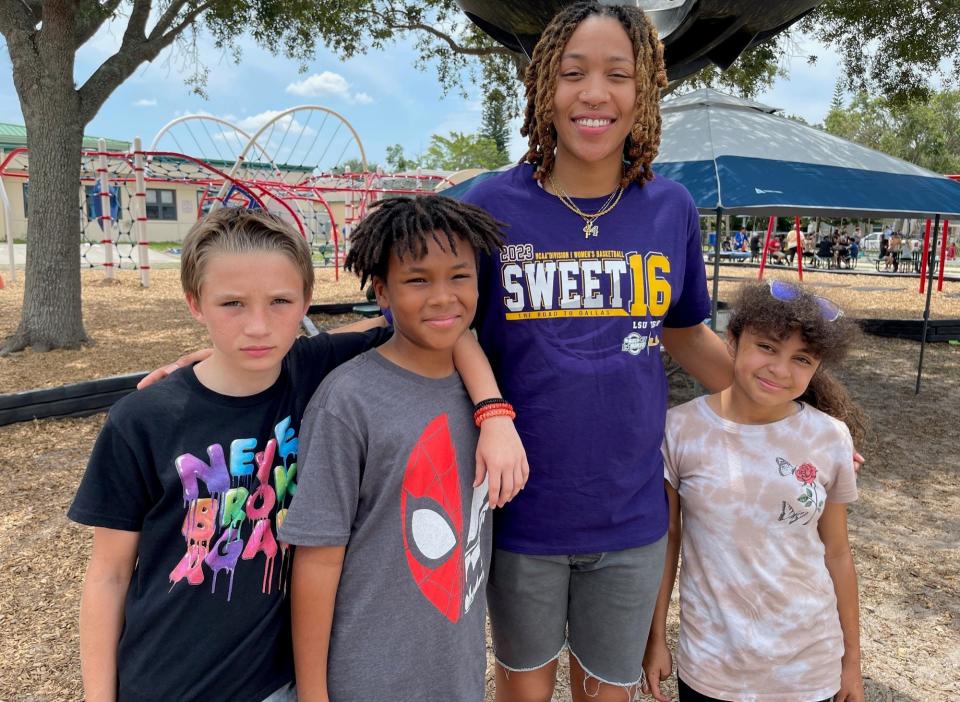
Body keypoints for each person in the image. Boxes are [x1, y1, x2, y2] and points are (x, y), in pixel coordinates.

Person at [69, 207, 523, 702]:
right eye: (232, 304)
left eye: (280, 301)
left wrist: (492, 409)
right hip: (166, 681)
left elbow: (442, 327)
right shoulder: (143, 420)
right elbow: (109, 575)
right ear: (195, 303)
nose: (259, 326)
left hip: (274, 682)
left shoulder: (310, 368)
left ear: (306, 301)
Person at [459, 3, 734, 700]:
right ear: (544, 87)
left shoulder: (670, 209)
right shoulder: (491, 205)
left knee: (606, 692)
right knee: (521, 687)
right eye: (574, 72)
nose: (594, 93)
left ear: (643, 93)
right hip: (521, 511)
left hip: (631, 514)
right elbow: (445, 327)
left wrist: (805, 409)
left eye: (619, 74)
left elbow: (685, 331)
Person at [277, 196, 507, 700]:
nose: (443, 297)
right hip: (366, 678)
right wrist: (313, 694)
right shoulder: (348, 401)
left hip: (456, 675)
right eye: (418, 280)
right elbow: (316, 558)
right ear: (382, 289)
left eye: (459, 276)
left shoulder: (485, 391)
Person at [643, 280, 866, 702]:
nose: (780, 370)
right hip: (712, 665)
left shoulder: (830, 438)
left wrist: (851, 661)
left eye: (801, 358)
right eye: (766, 347)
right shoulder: (680, 430)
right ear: (732, 340)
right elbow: (668, 542)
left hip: (808, 667)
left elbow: (837, 552)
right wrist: (655, 637)